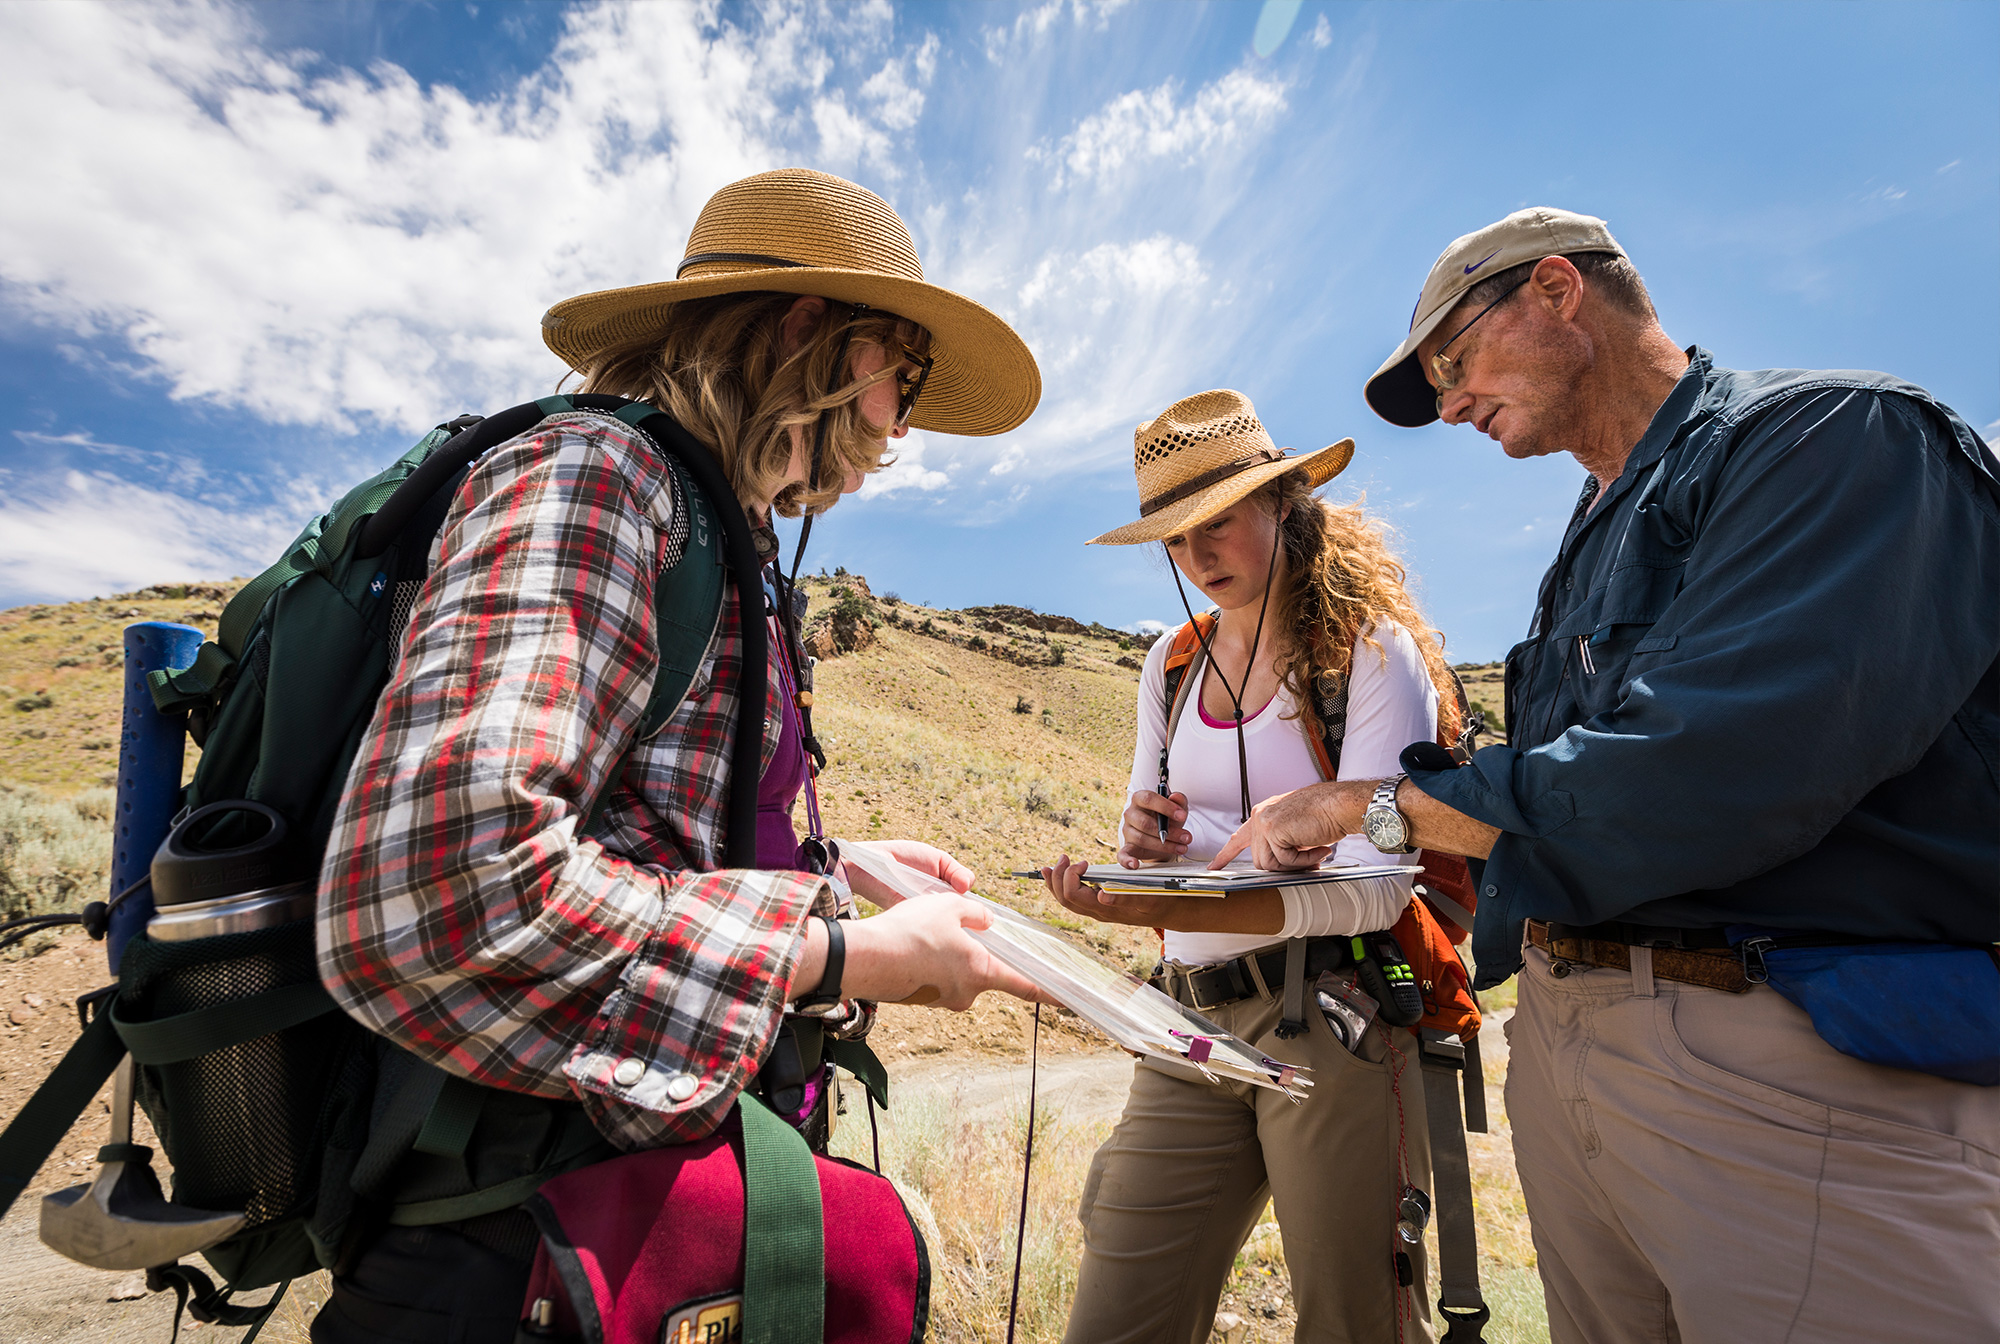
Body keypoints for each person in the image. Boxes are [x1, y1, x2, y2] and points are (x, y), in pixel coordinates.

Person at [1218, 207, 2000, 1342]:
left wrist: (1376, 807)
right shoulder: (1593, 529)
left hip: (1786, 1057)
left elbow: (1705, 767)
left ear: (1554, 290)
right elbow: (1569, 783)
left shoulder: (1833, 437)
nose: (1446, 405)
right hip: (1575, 1047)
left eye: (1451, 361)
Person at [311, 168, 1046, 1341]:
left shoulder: (706, 521)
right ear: (806, 332)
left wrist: (833, 867)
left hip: (611, 1225)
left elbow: (633, 827)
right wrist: (838, 958)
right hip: (516, 1245)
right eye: (893, 382)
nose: (896, 431)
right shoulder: (600, 482)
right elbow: (441, 893)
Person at [1041, 389, 1460, 1344]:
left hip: (1334, 1022)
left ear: (1284, 503)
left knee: (1357, 1323)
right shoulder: (1170, 666)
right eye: (1177, 540)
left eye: (1218, 523)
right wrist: (1145, 844)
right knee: (1116, 1314)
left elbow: (1384, 878)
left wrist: (1214, 901)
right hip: (1186, 1019)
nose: (1198, 557)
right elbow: (1187, 844)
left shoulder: (1369, 652)